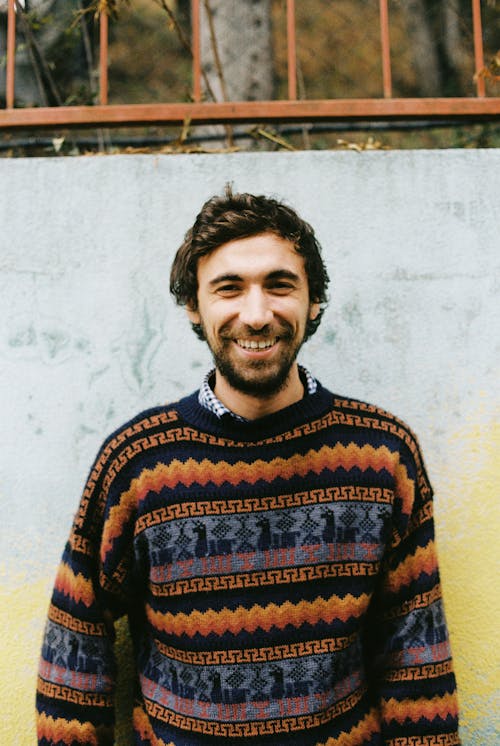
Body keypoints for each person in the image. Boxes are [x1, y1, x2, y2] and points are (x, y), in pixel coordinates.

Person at [36, 187, 460, 746]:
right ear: (195, 305)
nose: (256, 315)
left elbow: (416, 654)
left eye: (279, 285)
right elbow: (76, 643)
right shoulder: (138, 462)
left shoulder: (382, 456)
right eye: (229, 288)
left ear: (313, 301)